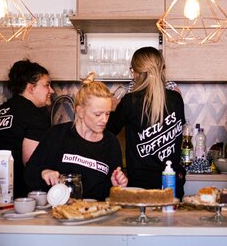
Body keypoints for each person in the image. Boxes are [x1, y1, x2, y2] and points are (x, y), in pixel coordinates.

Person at [25, 74, 128, 200]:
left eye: (107, 114)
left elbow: (112, 195)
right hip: (58, 213)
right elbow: (29, 173)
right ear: (80, 111)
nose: (104, 120)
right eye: (98, 114)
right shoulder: (57, 135)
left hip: (96, 215)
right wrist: (44, 172)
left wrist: (116, 185)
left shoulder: (111, 143)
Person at [107, 46, 186, 198]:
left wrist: (111, 109)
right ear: (162, 69)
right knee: (171, 221)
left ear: (136, 72)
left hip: (140, 186)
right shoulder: (176, 99)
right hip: (171, 182)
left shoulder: (130, 101)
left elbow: (108, 131)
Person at [0, 59, 54, 198]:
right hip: (15, 195)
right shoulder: (34, 115)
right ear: (31, 88)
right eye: (47, 85)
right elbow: (32, 162)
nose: (52, 90)